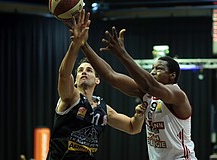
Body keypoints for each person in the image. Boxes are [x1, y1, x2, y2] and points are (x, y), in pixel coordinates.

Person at [80, 12, 198, 160]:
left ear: (172, 75)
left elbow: (150, 85)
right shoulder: (147, 94)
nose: (153, 72)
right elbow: (111, 76)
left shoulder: (177, 94)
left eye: (159, 69)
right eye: (152, 68)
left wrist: (122, 54)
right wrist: (83, 45)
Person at [47, 9, 146, 160]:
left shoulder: (102, 107)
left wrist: (139, 115)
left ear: (97, 80)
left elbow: (133, 127)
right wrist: (76, 44)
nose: (84, 72)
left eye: (89, 70)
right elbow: (64, 75)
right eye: (80, 71)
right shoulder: (71, 97)